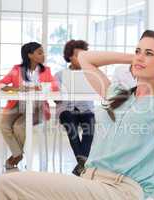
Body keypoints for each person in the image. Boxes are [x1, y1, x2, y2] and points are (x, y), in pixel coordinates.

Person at [0, 30, 154, 200]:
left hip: (119, 191)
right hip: (88, 183)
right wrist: (138, 58)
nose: (139, 56)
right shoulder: (117, 95)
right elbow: (85, 58)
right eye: (138, 50)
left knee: (6, 185)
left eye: (149, 53)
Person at [0, 42, 58, 170]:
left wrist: (36, 87)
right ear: (29, 55)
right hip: (17, 105)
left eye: (42, 52)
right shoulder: (16, 70)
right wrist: (16, 88)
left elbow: (54, 86)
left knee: (19, 126)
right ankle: (18, 154)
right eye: (39, 52)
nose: (43, 55)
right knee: (4, 125)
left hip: (38, 108)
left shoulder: (46, 71)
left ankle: (15, 156)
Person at [55, 40, 95, 176]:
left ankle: (80, 162)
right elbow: (56, 99)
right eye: (78, 56)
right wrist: (64, 92)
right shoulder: (60, 75)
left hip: (86, 110)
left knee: (90, 126)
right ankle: (82, 162)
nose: (82, 59)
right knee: (70, 124)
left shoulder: (91, 74)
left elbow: (99, 92)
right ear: (70, 57)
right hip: (67, 110)